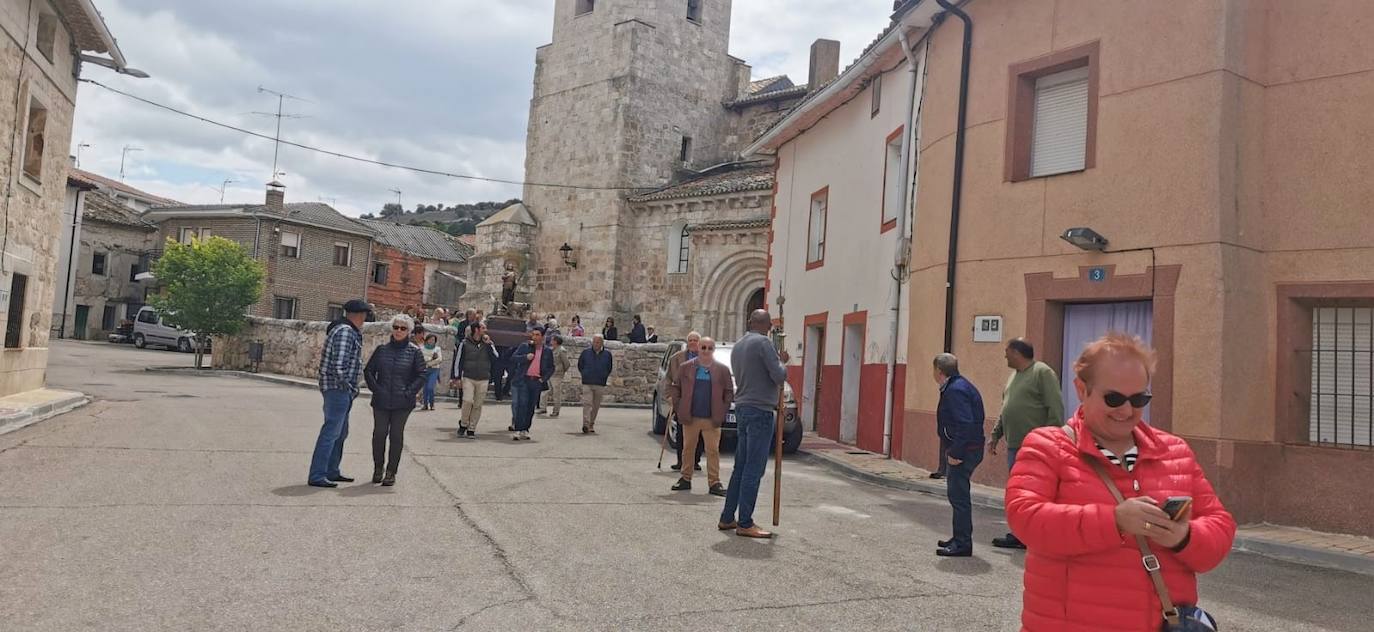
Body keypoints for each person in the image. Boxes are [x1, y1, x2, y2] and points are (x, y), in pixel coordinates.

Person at [1006, 333, 1235, 631]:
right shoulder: (1047, 446)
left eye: (1139, 399)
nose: (1126, 411)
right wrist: (1114, 521)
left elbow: (1220, 525)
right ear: (1081, 389)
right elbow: (1025, 518)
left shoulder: (1174, 451)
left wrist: (1183, 537)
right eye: (1113, 398)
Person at [987, 337, 1065, 549]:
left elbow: (1055, 408)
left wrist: (1051, 440)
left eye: (1007, 352)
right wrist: (995, 435)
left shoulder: (1042, 373)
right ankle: (1020, 533)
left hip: (1036, 447)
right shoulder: (1014, 377)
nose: (1004, 356)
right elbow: (1007, 408)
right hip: (1015, 445)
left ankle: (1033, 534)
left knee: (1034, 493)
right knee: (1019, 493)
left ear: (1016, 353)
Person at [719, 309, 789, 539]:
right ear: (766, 325)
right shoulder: (764, 344)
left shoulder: (739, 345)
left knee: (741, 466)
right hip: (760, 409)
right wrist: (783, 362)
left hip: (743, 407)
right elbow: (778, 376)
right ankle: (745, 521)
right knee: (753, 468)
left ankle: (728, 516)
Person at [308, 299, 370, 488]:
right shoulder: (345, 332)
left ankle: (331, 471)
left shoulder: (344, 330)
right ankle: (318, 474)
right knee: (331, 432)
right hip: (338, 389)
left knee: (340, 433)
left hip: (339, 389)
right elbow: (339, 365)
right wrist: (350, 387)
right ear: (361, 315)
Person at [363, 314, 427, 486]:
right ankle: (378, 468)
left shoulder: (414, 352)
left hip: (403, 402)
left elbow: (422, 375)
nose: (398, 331)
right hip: (381, 400)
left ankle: (391, 472)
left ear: (409, 331)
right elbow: (368, 371)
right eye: (396, 327)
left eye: (403, 328)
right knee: (379, 434)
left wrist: (409, 392)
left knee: (396, 435)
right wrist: (376, 389)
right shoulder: (382, 350)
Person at [933, 352, 985, 557]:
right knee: (957, 496)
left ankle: (963, 543)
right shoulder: (957, 386)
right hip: (966, 448)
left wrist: (956, 452)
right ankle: (958, 537)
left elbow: (965, 423)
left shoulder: (956, 390)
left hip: (965, 451)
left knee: (959, 497)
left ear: (939, 370)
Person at [668, 336, 732, 496]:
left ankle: (714, 482)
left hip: (712, 418)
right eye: (703, 347)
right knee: (688, 449)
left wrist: (723, 410)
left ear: (713, 350)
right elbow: (676, 387)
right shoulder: (685, 367)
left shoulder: (722, 370)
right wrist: (678, 406)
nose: (706, 351)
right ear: (698, 348)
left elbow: (729, 392)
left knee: (713, 451)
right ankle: (685, 478)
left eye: (710, 348)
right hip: (691, 417)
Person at [665, 332, 705, 472]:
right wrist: (669, 395)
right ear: (687, 342)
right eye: (690, 340)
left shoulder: (705, 358)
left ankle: (695, 460)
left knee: (698, 432)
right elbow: (668, 378)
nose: (693, 342)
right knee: (682, 432)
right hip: (681, 400)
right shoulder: (676, 358)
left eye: (695, 340)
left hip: (700, 400)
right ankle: (681, 460)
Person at [453, 322, 498, 438]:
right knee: (467, 401)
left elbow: (496, 357)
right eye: (483, 328)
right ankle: (463, 424)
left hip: (483, 377)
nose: (485, 330)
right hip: (468, 376)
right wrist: (457, 377)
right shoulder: (464, 343)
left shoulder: (488, 343)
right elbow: (458, 360)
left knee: (478, 404)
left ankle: (471, 428)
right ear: (476, 330)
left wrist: (489, 345)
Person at [509, 329, 554, 441]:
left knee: (531, 406)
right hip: (524, 379)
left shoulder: (547, 351)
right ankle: (518, 429)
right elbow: (513, 358)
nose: (534, 337)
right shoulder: (525, 346)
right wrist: (525, 357)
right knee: (522, 404)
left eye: (537, 335)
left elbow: (551, 367)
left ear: (542, 337)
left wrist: (543, 379)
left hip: (536, 381)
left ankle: (526, 429)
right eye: (533, 334)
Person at [578, 334, 613, 433]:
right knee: (587, 403)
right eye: (594, 342)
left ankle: (591, 423)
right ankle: (585, 423)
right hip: (587, 382)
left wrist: (604, 375)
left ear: (602, 343)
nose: (595, 344)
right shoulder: (586, 353)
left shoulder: (607, 355)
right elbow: (580, 365)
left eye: (598, 342)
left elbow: (609, 367)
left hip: (600, 383)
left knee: (596, 405)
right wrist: (585, 373)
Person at [544, 335, 571, 417]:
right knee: (545, 391)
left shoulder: (561, 350)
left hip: (557, 374)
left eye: (552, 340)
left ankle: (556, 410)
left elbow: (566, 363)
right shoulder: (552, 350)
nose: (551, 341)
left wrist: (562, 371)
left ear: (556, 341)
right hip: (550, 373)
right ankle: (542, 408)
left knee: (556, 394)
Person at [419, 333, 443, 411]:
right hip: (425, 370)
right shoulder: (422, 348)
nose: (431, 341)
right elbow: (421, 359)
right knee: (425, 388)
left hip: (434, 369)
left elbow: (439, 359)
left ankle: (432, 403)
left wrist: (428, 362)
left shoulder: (437, 349)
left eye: (433, 340)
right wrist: (430, 359)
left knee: (430, 387)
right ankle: (425, 404)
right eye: (430, 339)